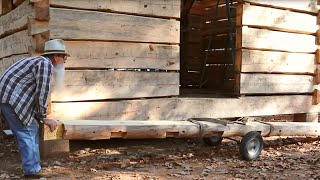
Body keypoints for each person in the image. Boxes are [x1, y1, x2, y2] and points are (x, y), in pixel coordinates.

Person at [0, 39, 70, 178]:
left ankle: (33, 166)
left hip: (9, 98)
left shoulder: (37, 61)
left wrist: (40, 116)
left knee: (30, 129)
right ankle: (31, 170)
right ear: (56, 57)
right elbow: (42, 93)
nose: (64, 61)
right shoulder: (45, 65)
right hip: (11, 99)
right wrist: (44, 117)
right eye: (64, 58)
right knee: (27, 131)